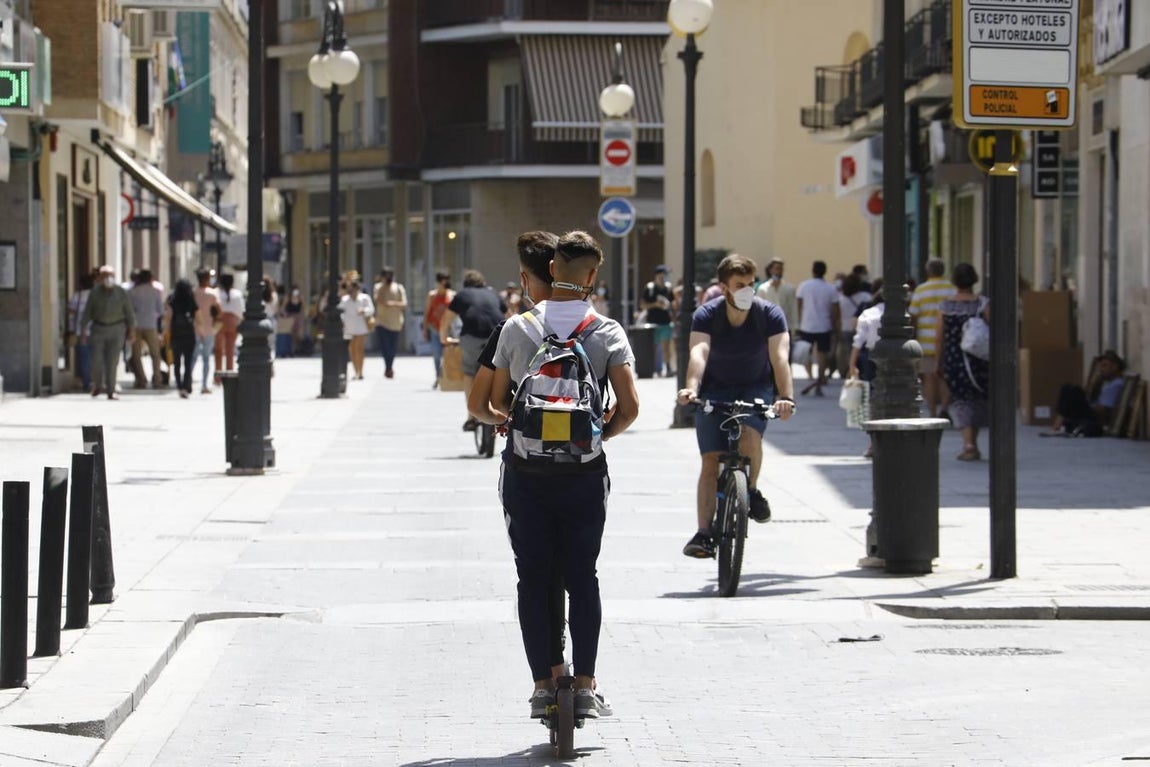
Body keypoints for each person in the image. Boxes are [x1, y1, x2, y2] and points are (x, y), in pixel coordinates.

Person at [489, 230, 639, 720]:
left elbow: (493, 402)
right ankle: (588, 684)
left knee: (533, 578)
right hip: (583, 475)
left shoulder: (517, 328)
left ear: (551, 269)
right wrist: (595, 438)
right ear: (593, 274)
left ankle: (543, 684)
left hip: (527, 474)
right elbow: (631, 407)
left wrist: (516, 426)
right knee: (582, 576)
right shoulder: (608, 330)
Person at [676, 254, 796, 558]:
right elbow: (699, 353)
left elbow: (780, 357)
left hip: (755, 386)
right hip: (714, 388)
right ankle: (704, 533)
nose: (747, 289)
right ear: (724, 288)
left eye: (751, 283)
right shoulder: (706, 314)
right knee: (710, 461)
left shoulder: (769, 314)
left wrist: (786, 396)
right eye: (740, 284)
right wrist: (691, 389)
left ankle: (750, 489)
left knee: (749, 435)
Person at [440, 270, 505, 431]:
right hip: (497, 335)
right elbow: (508, 314)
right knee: (499, 370)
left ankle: (471, 417)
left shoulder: (462, 294)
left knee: (469, 372)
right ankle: (501, 410)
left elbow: (447, 319)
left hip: (472, 337)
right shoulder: (493, 293)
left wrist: (444, 339)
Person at [938, 263, 989, 461]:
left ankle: (969, 444)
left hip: (953, 357)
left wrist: (938, 360)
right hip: (977, 359)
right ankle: (972, 442)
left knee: (961, 399)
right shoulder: (982, 304)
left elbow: (939, 336)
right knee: (976, 398)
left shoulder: (946, 306)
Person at [80, 264, 137, 400]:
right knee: (96, 360)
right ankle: (97, 385)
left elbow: (129, 312)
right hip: (98, 329)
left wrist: (132, 330)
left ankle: (111, 390)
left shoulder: (121, 292)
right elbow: (87, 312)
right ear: (100, 277)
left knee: (112, 361)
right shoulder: (95, 292)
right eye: (105, 275)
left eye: (110, 275)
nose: (108, 278)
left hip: (116, 329)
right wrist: (83, 330)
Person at [909, 259, 956, 418]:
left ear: (928, 272)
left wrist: (913, 335)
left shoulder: (921, 290)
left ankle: (932, 412)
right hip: (948, 340)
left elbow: (913, 315)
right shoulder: (951, 290)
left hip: (926, 341)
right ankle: (945, 408)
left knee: (928, 377)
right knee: (945, 377)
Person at [1045, 351, 1127, 437]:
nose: (1101, 370)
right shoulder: (1108, 383)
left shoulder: (1116, 385)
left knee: (1073, 389)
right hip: (1093, 412)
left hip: (1097, 416)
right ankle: (1058, 425)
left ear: (1115, 367)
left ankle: (1057, 426)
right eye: (1100, 366)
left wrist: (1082, 405)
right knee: (1068, 389)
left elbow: (1104, 410)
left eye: (1104, 366)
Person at [849, 284, 884, 458]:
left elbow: (858, 341)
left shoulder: (868, 314)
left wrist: (851, 365)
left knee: (872, 399)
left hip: (871, 359)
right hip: (894, 359)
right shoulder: (902, 314)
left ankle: (873, 442)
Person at [795, 260, 840, 396]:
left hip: (807, 324)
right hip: (824, 325)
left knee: (805, 353)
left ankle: (810, 377)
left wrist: (800, 320)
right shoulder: (831, 288)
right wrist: (834, 324)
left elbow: (799, 304)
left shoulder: (804, 286)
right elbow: (835, 310)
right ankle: (819, 382)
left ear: (813, 270)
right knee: (822, 355)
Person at [128, 269, 165, 389]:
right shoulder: (155, 292)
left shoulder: (132, 292)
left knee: (136, 354)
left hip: (136, 325)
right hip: (151, 325)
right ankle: (157, 380)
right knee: (155, 354)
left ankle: (141, 379)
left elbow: (129, 310)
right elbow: (161, 310)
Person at [164, 279, 198, 398]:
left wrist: (165, 333)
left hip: (176, 334)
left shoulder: (172, 300)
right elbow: (197, 318)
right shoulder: (191, 299)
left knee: (177, 362)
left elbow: (168, 317)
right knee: (188, 362)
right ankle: (186, 385)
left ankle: (179, 386)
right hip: (189, 334)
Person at [640, 265, 676, 376]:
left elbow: (673, 304)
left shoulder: (668, 288)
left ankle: (668, 368)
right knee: (654, 347)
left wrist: (669, 308)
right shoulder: (650, 288)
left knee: (666, 346)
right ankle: (655, 369)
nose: (663, 277)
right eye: (662, 275)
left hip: (665, 321)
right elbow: (642, 305)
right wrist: (655, 304)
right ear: (657, 275)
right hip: (652, 322)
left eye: (665, 275)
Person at [835, 273, 872, 380]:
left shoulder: (841, 298)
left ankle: (847, 370)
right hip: (860, 328)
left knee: (847, 351)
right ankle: (855, 370)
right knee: (859, 351)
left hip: (845, 328)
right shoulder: (865, 297)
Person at [373, 267, 407, 378]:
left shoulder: (398, 288)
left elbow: (404, 304)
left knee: (392, 347)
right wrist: (383, 286)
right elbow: (377, 300)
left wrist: (393, 304)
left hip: (395, 322)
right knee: (385, 347)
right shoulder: (378, 287)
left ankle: (389, 367)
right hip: (382, 322)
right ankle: (388, 368)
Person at [423, 271, 454, 388]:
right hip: (435, 329)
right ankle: (437, 376)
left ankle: (443, 377)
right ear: (438, 282)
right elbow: (427, 313)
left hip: (447, 329)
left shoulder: (451, 295)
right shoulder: (432, 295)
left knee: (447, 355)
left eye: (446, 280)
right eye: (442, 281)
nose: (445, 283)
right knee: (436, 355)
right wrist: (424, 329)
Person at [192, 269, 221, 394]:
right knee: (206, 358)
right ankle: (204, 385)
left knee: (193, 356)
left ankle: (187, 380)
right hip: (209, 327)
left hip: (195, 327)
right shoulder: (212, 294)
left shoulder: (193, 293)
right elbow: (219, 310)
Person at [755, 259, 798, 343]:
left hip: (785, 326)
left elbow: (793, 307)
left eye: (781, 269)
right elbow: (758, 308)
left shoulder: (789, 288)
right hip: (768, 327)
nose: (779, 271)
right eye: (777, 268)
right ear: (771, 270)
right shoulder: (763, 289)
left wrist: (795, 326)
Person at [339, 280, 375, 380]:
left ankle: (360, 371)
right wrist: (342, 320)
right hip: (349, 328)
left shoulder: (364, 298)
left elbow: (371, 310)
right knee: (352, 350)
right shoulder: (345, 300)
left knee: (359, 349)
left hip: (361, 327)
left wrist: (364, 311)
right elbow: (340, 311)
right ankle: (356, 371)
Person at [67, 271, 95, 392]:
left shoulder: (76, 296)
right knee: (96, 357)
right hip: (96, 331)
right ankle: (96, 381)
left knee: (84, 358)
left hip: (80, 331)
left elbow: (71, 313)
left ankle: (86, 382)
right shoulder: (96, 296)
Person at [214, 273, 244, 379]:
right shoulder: (237, 294)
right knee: (230, 349)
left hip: (220, 322)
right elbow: (241, 310)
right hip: (233, 321)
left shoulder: (216, 293)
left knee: (218, 350)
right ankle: (229, 373)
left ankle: (217, 376)